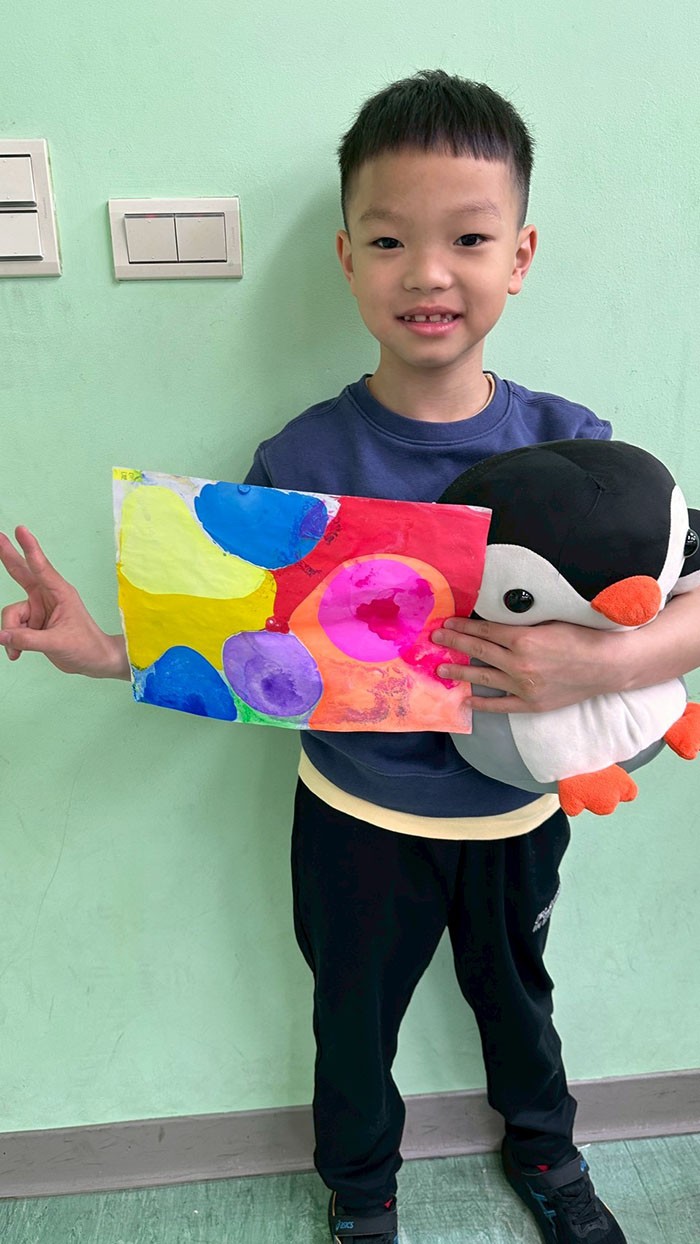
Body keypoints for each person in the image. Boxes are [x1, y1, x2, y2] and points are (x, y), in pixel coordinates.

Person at [2, 71, 699, 1244]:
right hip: (355, 814)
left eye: (467, 238)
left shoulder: (573, 443)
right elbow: (233, 637)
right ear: (346, 258)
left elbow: (686, 595)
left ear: (519, 256)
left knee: (518, 996)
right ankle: (362, 1189)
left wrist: (597, 668)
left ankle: (547, 1149)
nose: (427, 273)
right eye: (388, 240)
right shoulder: (303, 458)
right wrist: (98, 649)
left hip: (519, 813)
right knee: (352, 1017)